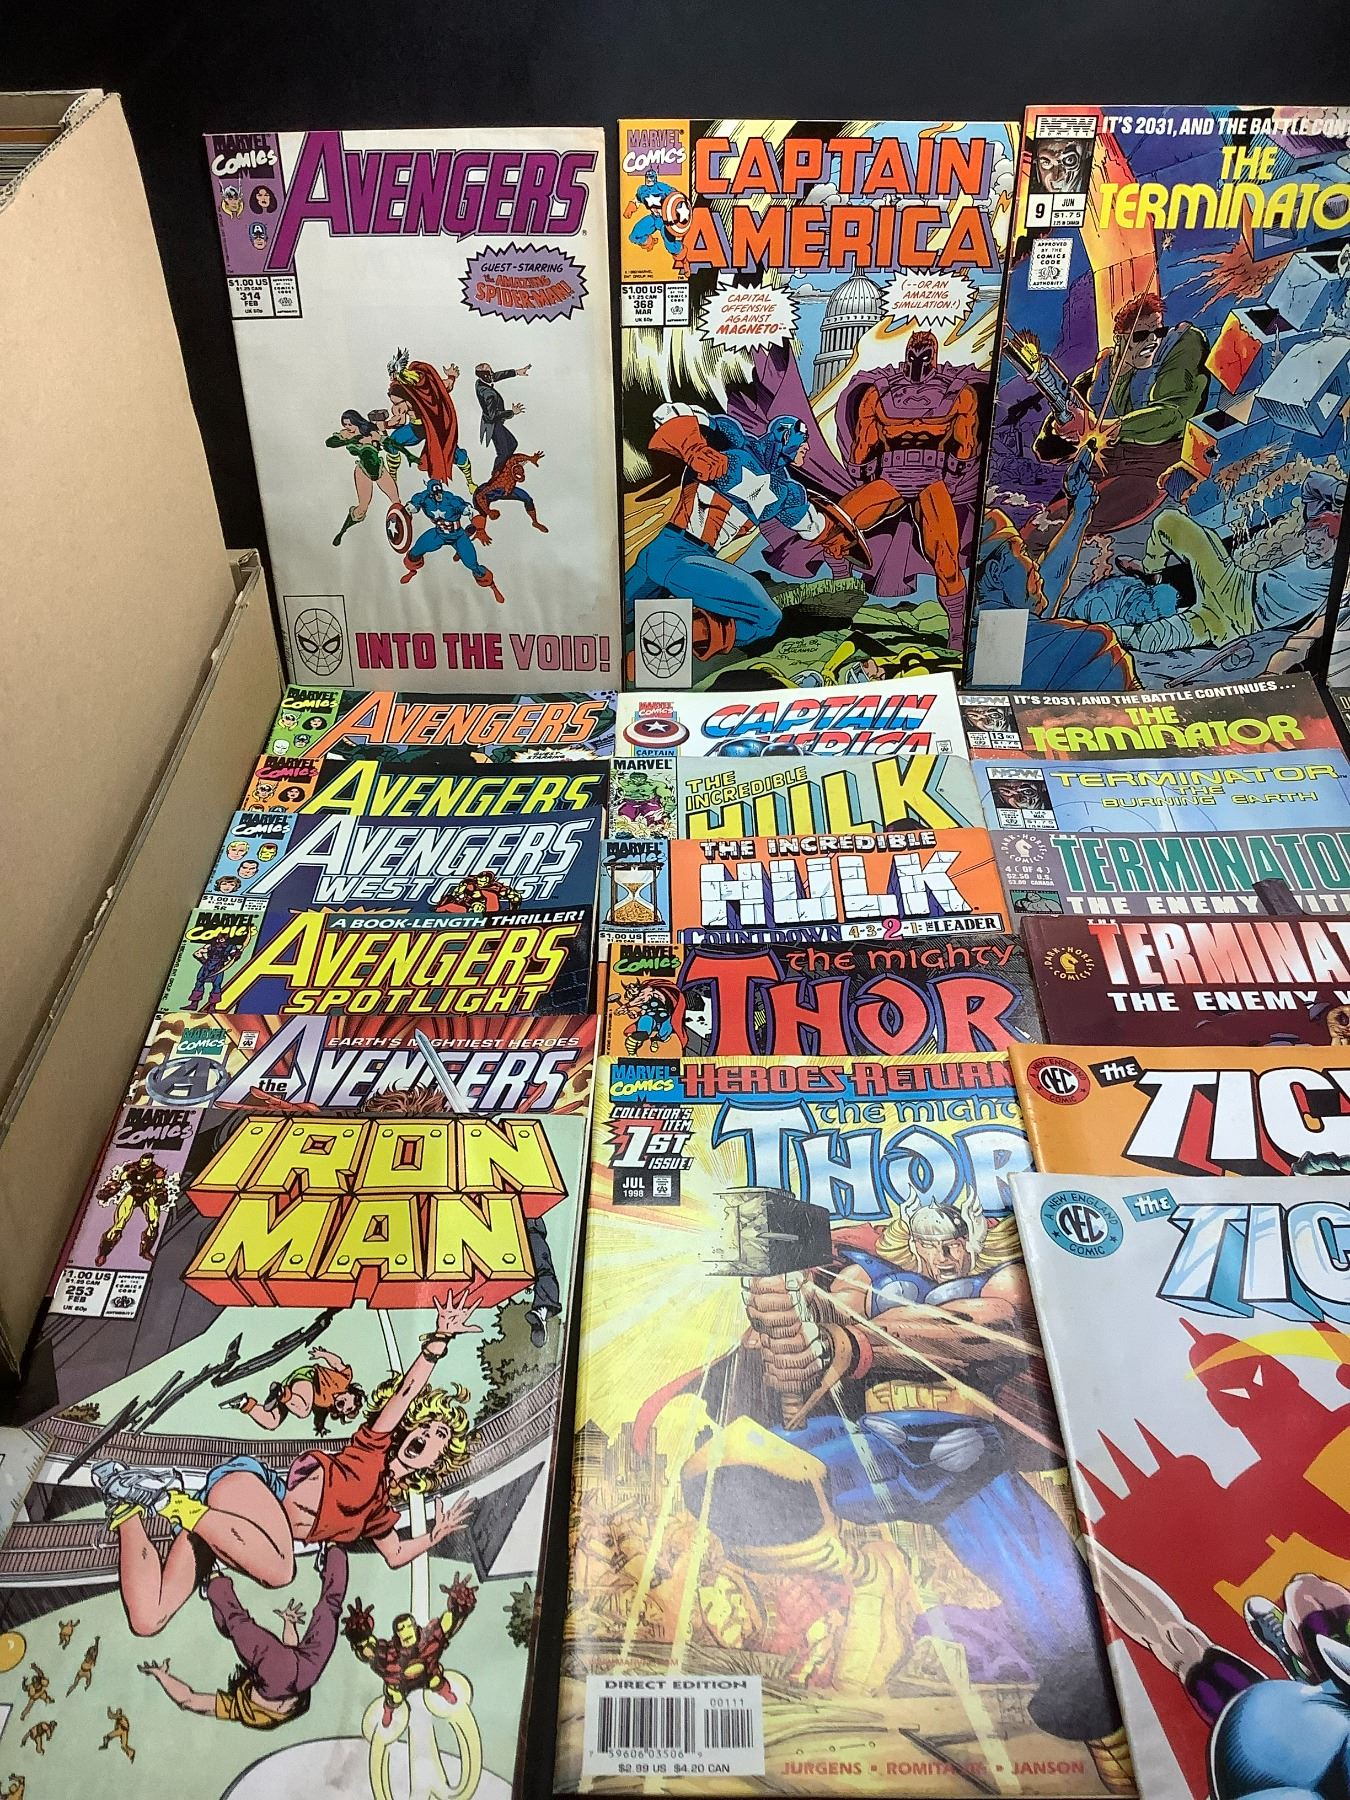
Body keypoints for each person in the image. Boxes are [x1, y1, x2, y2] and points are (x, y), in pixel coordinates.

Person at [90, 1286, 484, 1638]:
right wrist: (439, 1341)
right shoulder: (372, 1449)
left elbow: (395, 1555)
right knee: (281, 1571)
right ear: (408, 1426)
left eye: (440, 1437)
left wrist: (436, 1534)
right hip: (250, 1494)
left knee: (148, 1618)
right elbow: (405, 1393)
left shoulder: (379, 1510)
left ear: (439, 1459)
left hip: (237, 1535)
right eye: (427, 1427)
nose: (427, 1437)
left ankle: (126, 1503)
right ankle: (167, 1499)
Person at [139, 1544, 349, 1730]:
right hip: (292, 1672)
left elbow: (289, 1661)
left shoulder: (250, 1707)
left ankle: (335, 1550)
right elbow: (188, 1700)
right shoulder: (244, 1711)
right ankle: (214, 1579)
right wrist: (160, 1675)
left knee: (329, 1607)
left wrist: (289, 1624)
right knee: (237, 1623)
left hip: (308, 1673)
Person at [220, 1347, 365, 1436]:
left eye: (345, 1410)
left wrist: (320, 1428)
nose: (344, 1407)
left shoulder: (326, 1405)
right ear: (351, 1393)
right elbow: (337, 1362)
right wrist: (323, 1354)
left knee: (272, 1422)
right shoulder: (345, 1379)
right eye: (349, 1405)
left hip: (292, 1394)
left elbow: (319, 1419)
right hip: (307, 1377)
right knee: (303, 1411)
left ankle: (243, 1403)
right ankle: (281, 1393)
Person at [474, 363, 530, 471]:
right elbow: (492, 416)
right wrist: (512, 412)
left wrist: (516, 372)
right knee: (503, 453)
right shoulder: (488, 394)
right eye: (489, 371)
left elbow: (496, 376)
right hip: (492, 424)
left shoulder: (480, 381)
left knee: (512, 444)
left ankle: (505, 469)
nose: (492, 373)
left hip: (494, 423)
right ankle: (496, 475)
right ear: (485, 375)